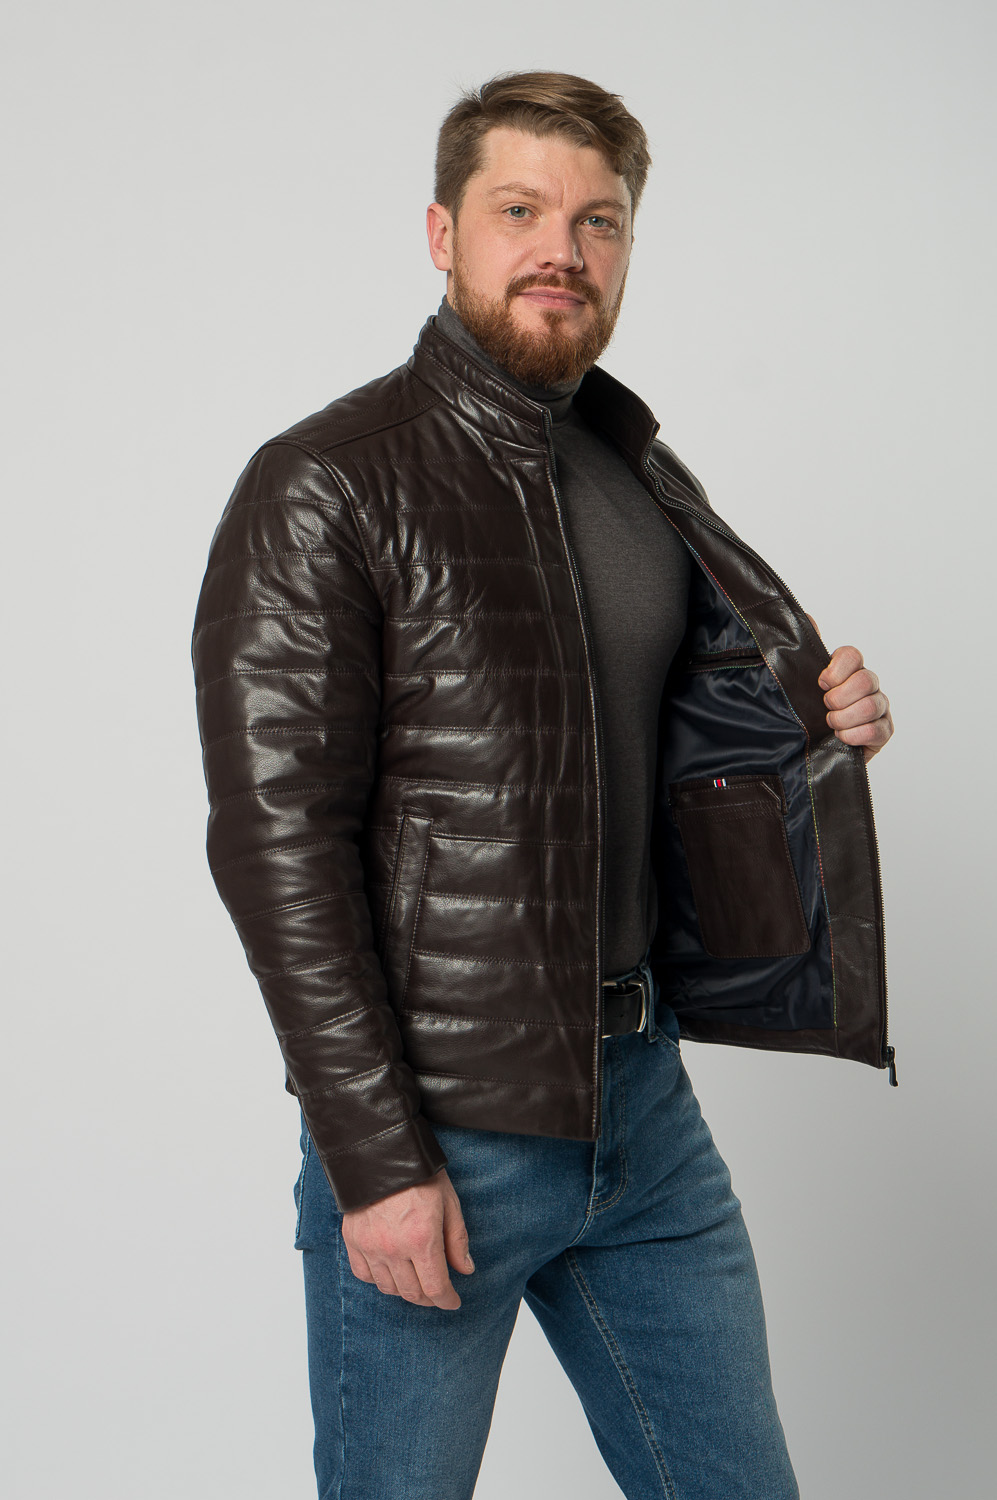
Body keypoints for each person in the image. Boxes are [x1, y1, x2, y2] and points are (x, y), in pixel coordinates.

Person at [192, 70, 895, 1500]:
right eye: (519, 211)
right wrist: (374, 1156)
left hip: (643, 1106)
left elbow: (652, 739)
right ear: (441, 232)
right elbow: (277, 845)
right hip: (438, 1126)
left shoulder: (636, 470)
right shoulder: (329, 479)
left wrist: (813, 725)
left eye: (598, 221)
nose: (560, 250)